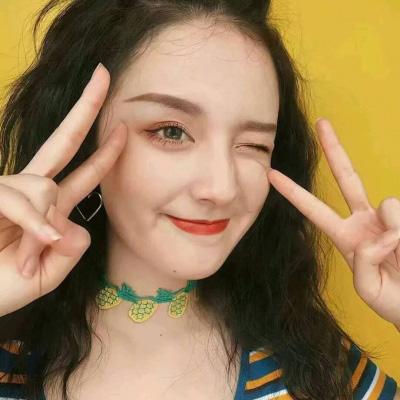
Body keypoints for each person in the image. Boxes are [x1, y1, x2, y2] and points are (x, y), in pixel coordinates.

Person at [0, 0, 399, 399]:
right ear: (85, 139)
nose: (223, 188)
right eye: (171, 132)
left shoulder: (321, 370)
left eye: (254, 145)